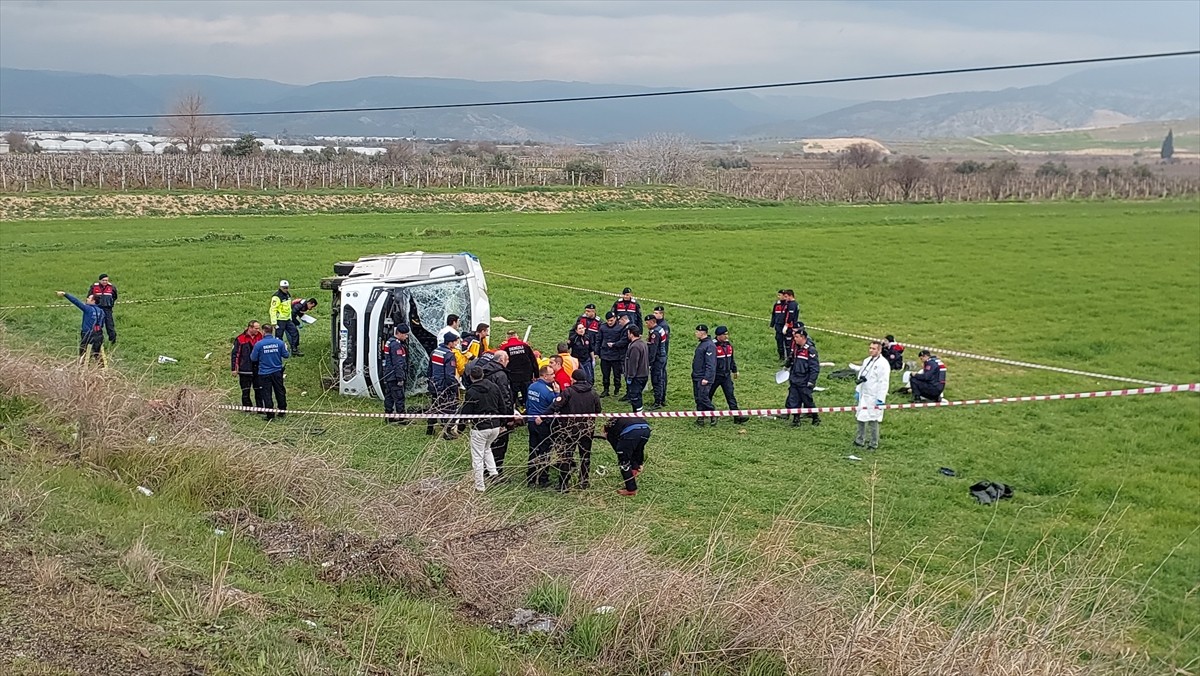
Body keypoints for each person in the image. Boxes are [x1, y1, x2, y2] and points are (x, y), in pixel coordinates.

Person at [550, 370, 601, 491]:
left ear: (573, 379)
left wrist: (542, 416)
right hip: (587, 429)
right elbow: (598, 410)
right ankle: (584, 481)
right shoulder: (593, 393)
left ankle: (563, 484)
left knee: (566, 456)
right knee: (585, 455)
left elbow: (556, 406)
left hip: (569, 429)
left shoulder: (568, 392)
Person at [459, 365, 506, 492]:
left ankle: (479, 486)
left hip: (480, 428)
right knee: (487, 448)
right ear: (483, 375)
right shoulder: (494, 387)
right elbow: (502, 406)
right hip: (495, 426)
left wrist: (460, 428)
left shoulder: (471, 392)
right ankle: (493, 473)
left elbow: (466, 412)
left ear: (470, 377)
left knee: (477, 457)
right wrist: (503, 423)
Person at [477, 350, 518, 476]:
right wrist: (508, 418)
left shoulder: (483, 371)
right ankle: (496, 471)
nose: (508, 362)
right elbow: (506, 397)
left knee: (485, 445)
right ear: (501, 360)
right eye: (507, 360)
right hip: (498, 416)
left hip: (483, 413)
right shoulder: (501, 375)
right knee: (500, 445)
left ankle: (484, 469)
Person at [854, 340, 890, 450]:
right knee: (860, 417)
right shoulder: (867, 360)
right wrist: (858, 390)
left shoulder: (883, 364)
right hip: (864, 394)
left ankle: (873, 443)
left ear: (879, 350)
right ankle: (859, 439)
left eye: (873, 349)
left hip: (874, 396)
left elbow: (883, 382)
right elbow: (862, 375)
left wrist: (880, 398)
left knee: (873, 419)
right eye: (870, 348)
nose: (871, 350)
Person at [525, 366, 557, 488]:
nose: (554, 376)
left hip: (531, 422)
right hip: (543, 424)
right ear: (545, 376)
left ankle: (531, 477)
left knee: (533, 450)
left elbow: (528, 403)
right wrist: (557, 393)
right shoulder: (548, 391)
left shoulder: (531, 387)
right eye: (552, 374)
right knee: (545, 451)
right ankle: (543, 478)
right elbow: (555, 405)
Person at [602, 416, 651, 497]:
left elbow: (617, 448)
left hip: (631, 431)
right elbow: (638, 450)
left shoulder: (609, 429)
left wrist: (621, 453)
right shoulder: (620, 419)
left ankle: (631, 489)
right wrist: (639, 462)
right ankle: (636, 468)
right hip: (646, 429)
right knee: (637, 448)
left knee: (623, 460)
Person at [250, 324, 289, 420]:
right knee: (280, 391)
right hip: (277, 372)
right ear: (272, 331)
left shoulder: (259, 344)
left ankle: (270, 415)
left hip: (264, 373)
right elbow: (286, 355)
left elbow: (253, 358)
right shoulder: (279, 343)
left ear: (263, 332)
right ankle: (282, 410)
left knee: (267, 393)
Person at [427, 332, 461, 439]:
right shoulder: (449, 355)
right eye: (455, 341)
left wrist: (430, 382)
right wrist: (455, 386)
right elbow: (449, 375)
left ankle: (430, 427)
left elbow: (430, 370)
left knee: (434, 406)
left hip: (434, 384)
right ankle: (446, 432)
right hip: (444, 386)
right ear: (450, 342)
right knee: (447, 409)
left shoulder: (435, 351)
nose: (456, 343)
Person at [710, 326, 747, 424]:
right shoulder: (713, 346)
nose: (727, 336)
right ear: (719, 335)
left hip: (726, 375)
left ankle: (736, 416)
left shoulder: (728, 345)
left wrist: (734, 370)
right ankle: (706, 414)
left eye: (727, 334)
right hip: (715, 376)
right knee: (708, 395)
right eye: (724, 334)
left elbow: (731, 359)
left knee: (730, 395)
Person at [785, 329, 821, 427]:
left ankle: (815, 417)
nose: (794, 339)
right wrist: (787, 365)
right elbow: (792, 358)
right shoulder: (796, 348)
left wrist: (811, 381)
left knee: (807, 400)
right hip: (795, 378)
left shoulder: (810, 350)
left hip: (804, 380)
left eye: (797, 337)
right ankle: (796, 419)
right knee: (794, 400)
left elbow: (814, 368)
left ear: (803, 337)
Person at [57, 291, 105, 362]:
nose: (87, 299)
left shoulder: (88, 309)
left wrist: (65, 294)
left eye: (89, 298)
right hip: (98, 334)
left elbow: (76, 302)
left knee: (83, 351)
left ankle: (82, 367)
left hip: (87, 333)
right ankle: (100, 367)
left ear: (93, 301)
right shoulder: (101, 311)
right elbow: (102, 323)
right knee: (97, 352)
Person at [499, 329, 537, 409]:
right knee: (527, 397)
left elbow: (500, 362)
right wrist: (536, 375)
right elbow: (533, 360)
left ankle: (512, 413)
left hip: (512, 377)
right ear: (517, 336)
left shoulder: (505, 347)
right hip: (526, 376)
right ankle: (528, 413)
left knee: (512, 397)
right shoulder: (525, 346)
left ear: (507, 338)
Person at [381, 323, 411, 424]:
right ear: (400, 334)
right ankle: (402, 418)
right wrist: (400, 378)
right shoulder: (396, 345)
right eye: (406, 335)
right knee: (399, 397)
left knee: (389, 396)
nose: (406, 337)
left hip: (388, 374)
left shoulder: (390, 341)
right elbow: (398, 363)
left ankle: (389, 416)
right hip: (395, 376)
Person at [230, 320, 263, 409]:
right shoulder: (240, 339)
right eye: (256, 328)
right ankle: (247, 408)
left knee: (259, 390)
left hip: (258, 369)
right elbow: (235, 354)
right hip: (244, 369)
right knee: (245, 390)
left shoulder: (261, 337)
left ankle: (260, 408)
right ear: (250, 328)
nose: (258, 330)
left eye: (259, 328)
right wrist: (234, 368)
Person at [597, 312, 628, 398]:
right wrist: (597, 352)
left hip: (616, 355)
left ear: (615, 318)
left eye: (611, 320)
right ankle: (605, 389)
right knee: (605, 374)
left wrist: (615, 345)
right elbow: (598, 340)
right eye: (608, 321)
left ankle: (617, 389)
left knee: (616, 374)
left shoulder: (620, 327)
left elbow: (623, 340)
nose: (609, 322)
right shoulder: (602, 327)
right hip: (605, 355)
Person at [691, 325, 717, 427]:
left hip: (703, 377)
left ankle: (713, 413)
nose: (696, 333)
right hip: (697, 376)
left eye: (697, 331)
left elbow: (710, 364)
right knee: (698, 398)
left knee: (703, 397)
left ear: (702, 332)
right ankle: (700, 417)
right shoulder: (702, 344)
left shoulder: (709, 345)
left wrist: (707, 378)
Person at [623, 326, 649, 413]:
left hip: (637, 377)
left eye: (628, 333)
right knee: (638, 396)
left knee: (635, 397)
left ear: (631, 333)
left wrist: (630, 376)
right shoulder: (643, 343)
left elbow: (633, 363)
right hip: (644, 374)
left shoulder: (634, 347)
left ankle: (638, 415)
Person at [269, 280, 299, 355]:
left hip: (287, 319)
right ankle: (279, 352)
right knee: (279, 337)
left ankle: (294, 349)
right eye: (284, 288)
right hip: (280, 320)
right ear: (280, 287)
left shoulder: (287, 294)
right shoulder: (276, 297)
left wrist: (290, 318)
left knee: (295, 333)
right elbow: (273, 310)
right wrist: (274, 322)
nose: (286, 289)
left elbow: (288, 307)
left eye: (287, 288)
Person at [87, 274, 118, 345]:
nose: (105, 282)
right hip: (97, 308)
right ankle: (97, 340)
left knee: (110, 325)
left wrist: (110, 303)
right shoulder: (94, 287)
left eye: (106, 280)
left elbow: (115, 296)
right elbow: (89, 296)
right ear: (99, 280)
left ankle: (113, 341)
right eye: (103, 280)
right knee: (97, 325)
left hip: (107, 309)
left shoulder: (112, 287)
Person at [645, 314, 668, 409]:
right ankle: (662, 399)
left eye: (647, 323)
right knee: (661, 379)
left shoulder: (655, 333)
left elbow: (653, 349)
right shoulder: (660, 329)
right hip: (662, 357)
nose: (646, 325)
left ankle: (657, 402)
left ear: (652, 322)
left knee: (656, 380)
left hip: (657, 359)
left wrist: (650, 362)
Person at [770, 290, 787, 361]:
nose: (778, 297)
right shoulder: (776, 304)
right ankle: (781, 357)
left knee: (787, 343)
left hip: (786, 327)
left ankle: (790, 358)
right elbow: (773, 315)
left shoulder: (788, 304)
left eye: (780, 295)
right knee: (779, 341)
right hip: (778, 326)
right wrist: (772, 324)